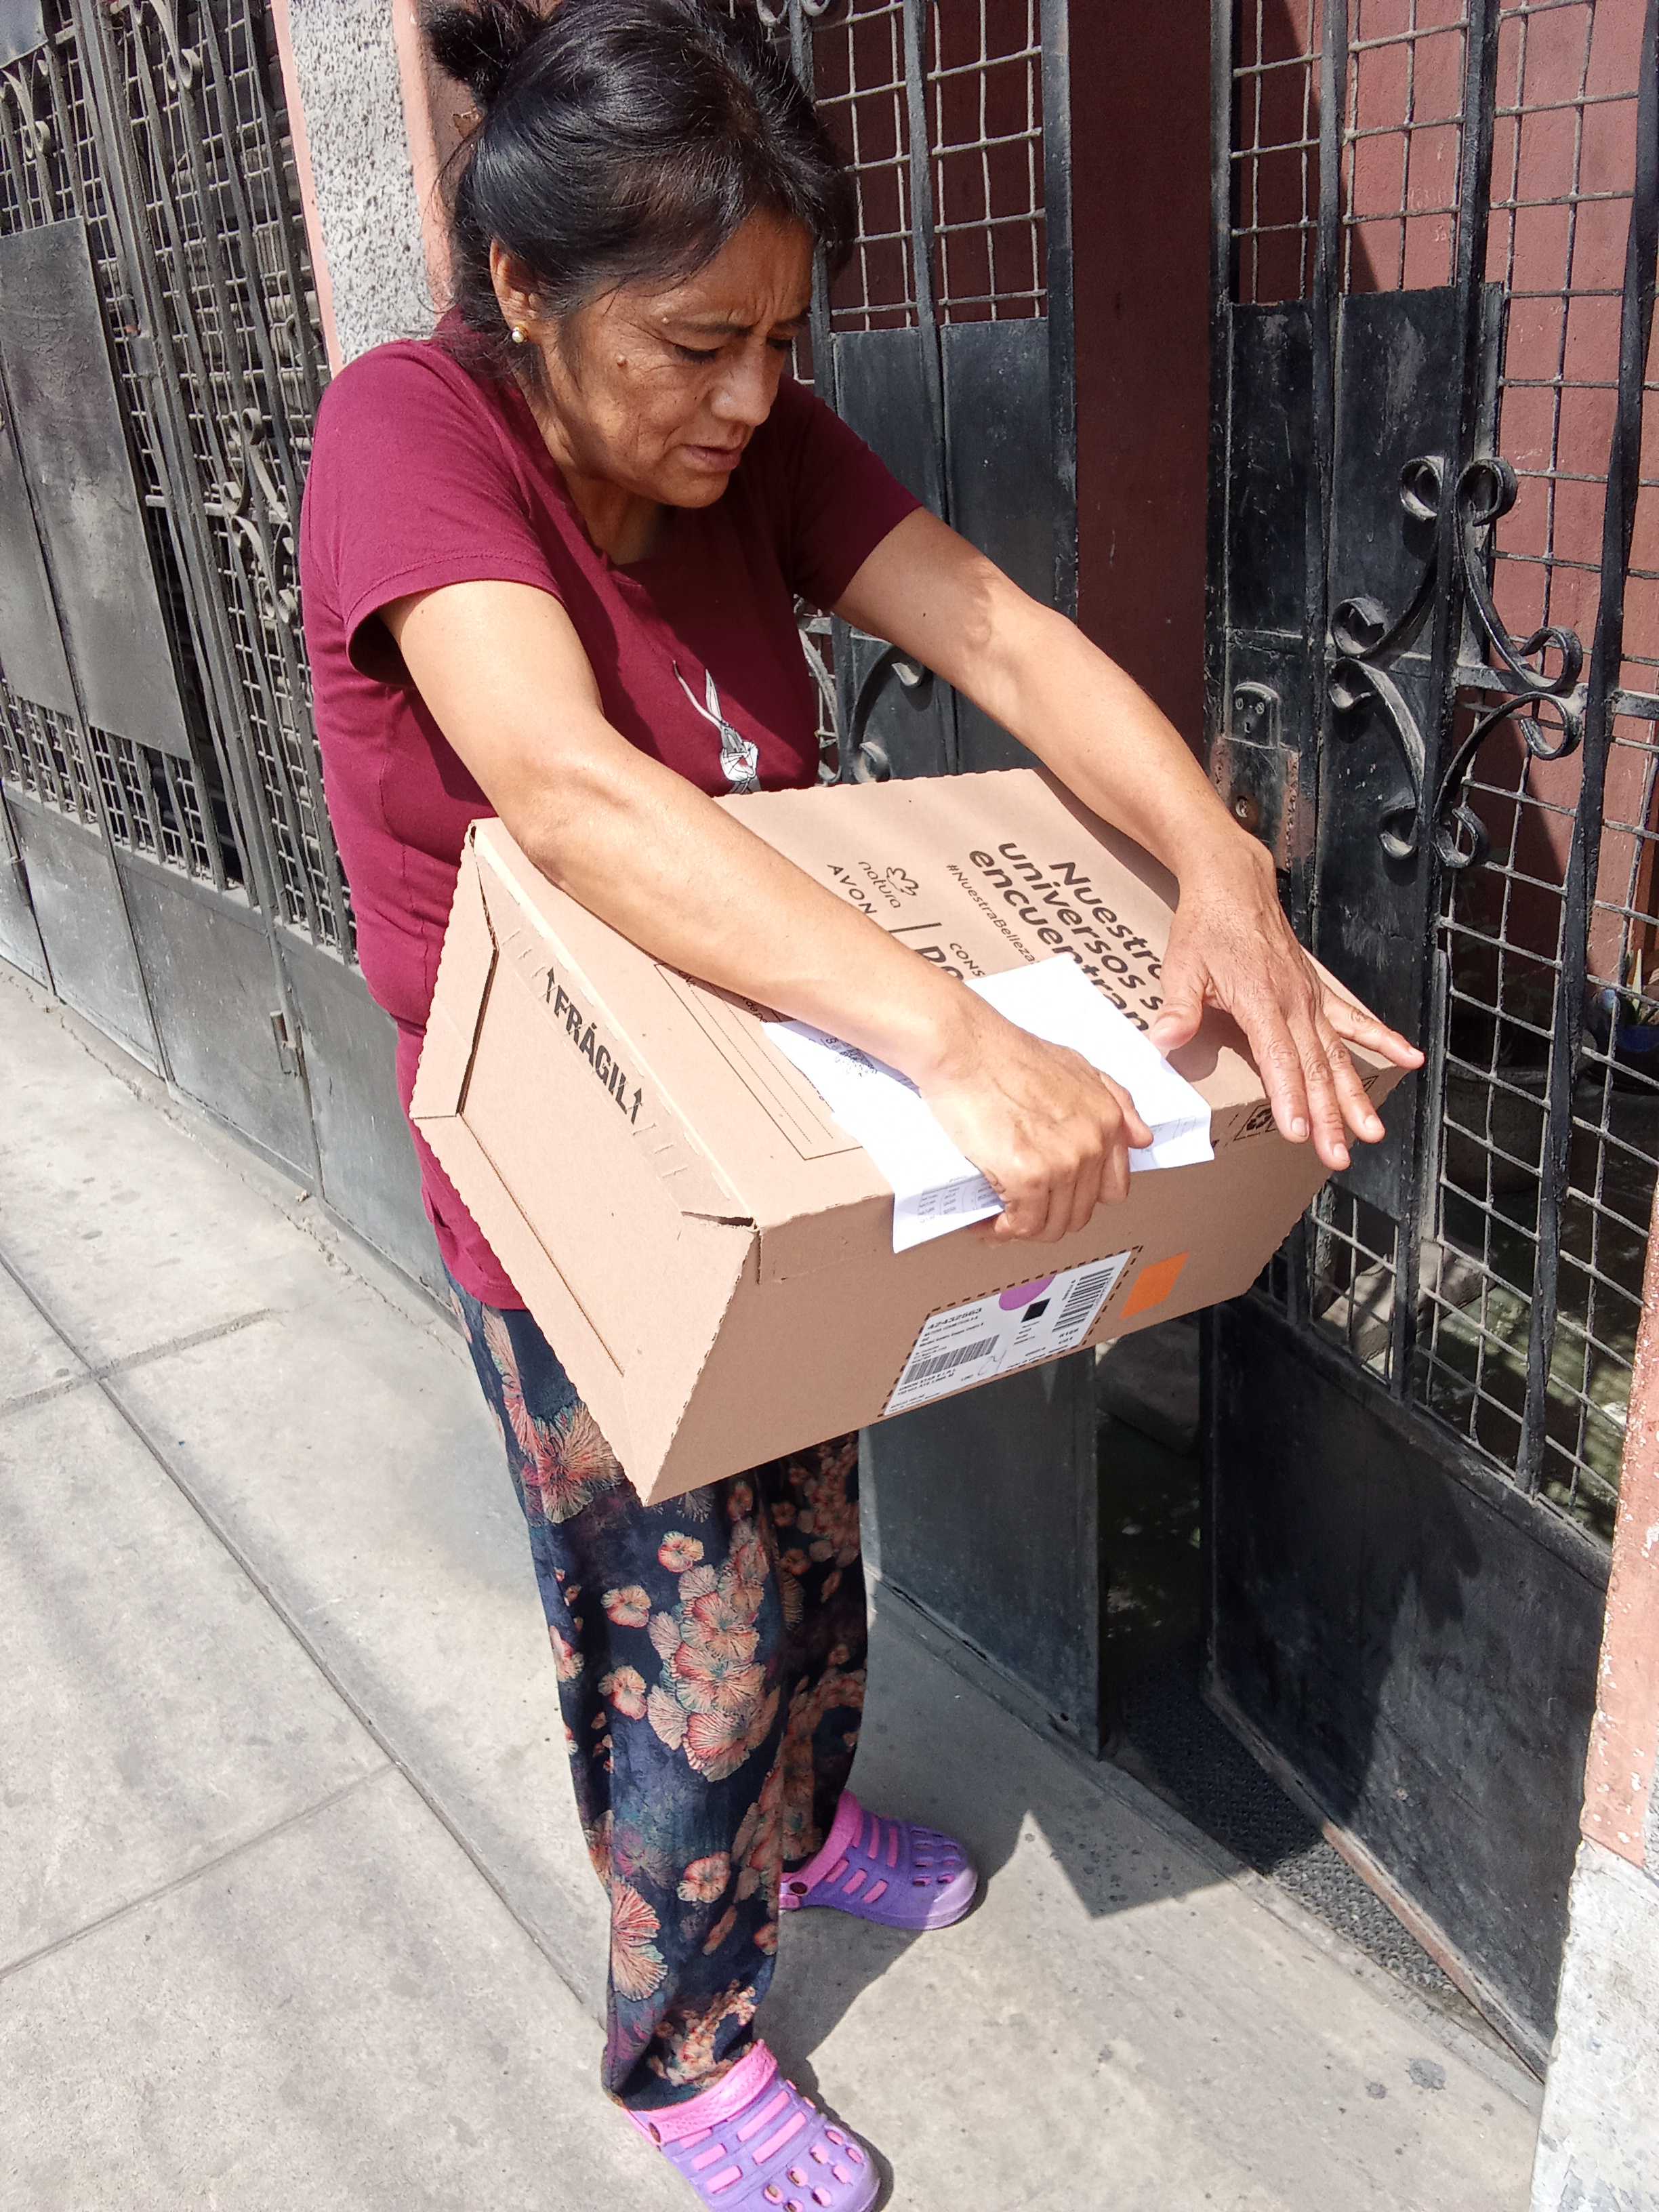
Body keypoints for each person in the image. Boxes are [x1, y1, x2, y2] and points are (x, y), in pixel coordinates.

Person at [299, 2, 1421, 2202]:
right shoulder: (409, 431)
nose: (750, 397)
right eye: (696, 344)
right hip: (577, 1179)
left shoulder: (757, 448)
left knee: (814, 1541)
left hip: (783, 1113)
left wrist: (1220, 861)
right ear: (524, 287)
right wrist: (958, 1041)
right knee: (689, 1632)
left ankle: (796, 1839)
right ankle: (683, 2043)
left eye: (782, 340)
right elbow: (567, 792)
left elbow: (995, 632)